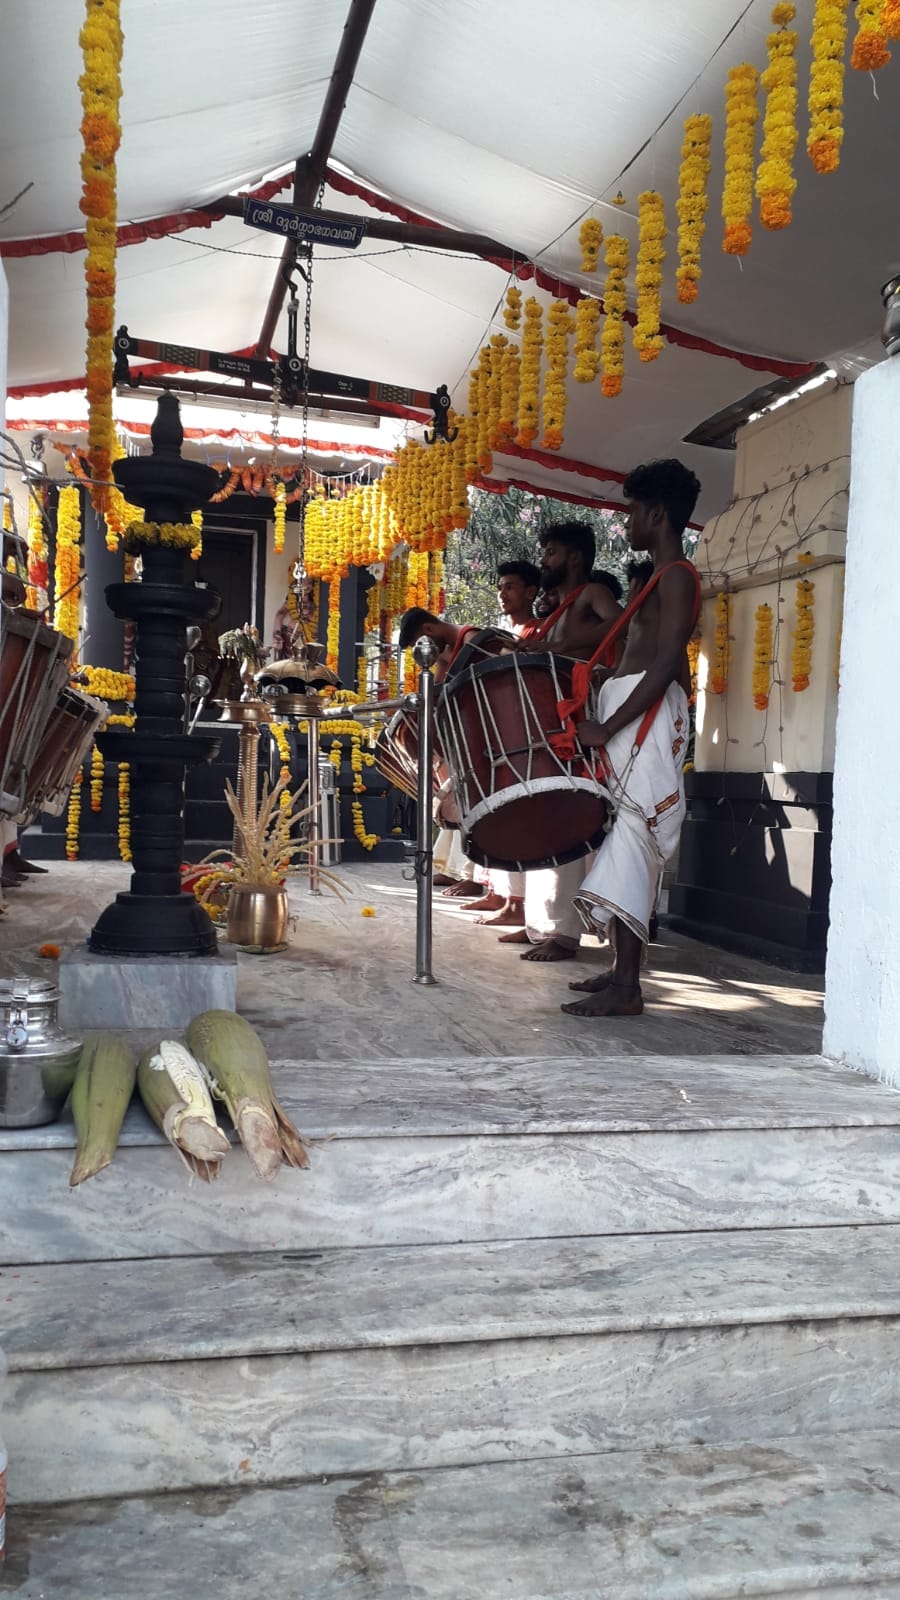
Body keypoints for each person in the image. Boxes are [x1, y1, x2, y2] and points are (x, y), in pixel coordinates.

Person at [562, 458, 701, 1019]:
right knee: (626, 835)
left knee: (633, 837)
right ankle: (620, 970)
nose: (626, 523)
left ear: (657, 513)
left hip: (639, 719)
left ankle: (627, 986)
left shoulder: (679, 576)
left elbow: (667, 662)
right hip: (629, 714)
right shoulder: (658, 579)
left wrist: (610, 724)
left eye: (632, 512)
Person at [498, 523, 621, 962]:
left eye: (550, 552)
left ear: (573, 557)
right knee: (545, 819)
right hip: (554, 725)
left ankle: (565, 934)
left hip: (583, 724)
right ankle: (540, 926)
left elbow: (621, 624)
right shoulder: (554, 612)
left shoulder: (590, 594)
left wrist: (563, 645)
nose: (544, 559)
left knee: (567, 819)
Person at [466, 561, 542, 925]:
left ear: (531, 592)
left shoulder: (538, 631)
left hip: (524, 737)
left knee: (521, 817)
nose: (502, 592)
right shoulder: (506, 633)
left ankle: (518, 906)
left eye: (510, 586)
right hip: (499, 734)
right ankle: (503, 896)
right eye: (500, 586)